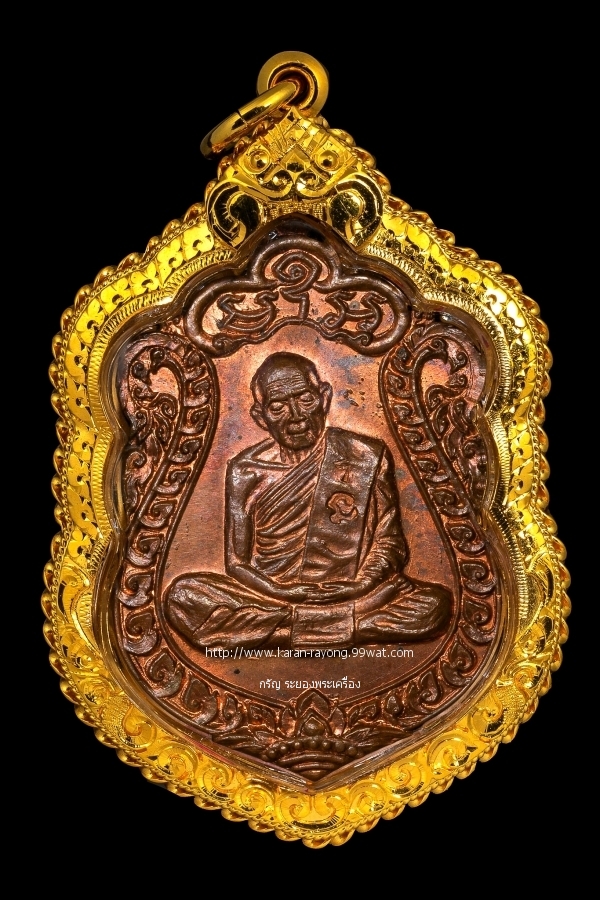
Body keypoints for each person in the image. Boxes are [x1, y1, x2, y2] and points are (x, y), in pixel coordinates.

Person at [166, 352, 451, 649]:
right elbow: (237, 564)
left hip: (352, 593)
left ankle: (285, 633)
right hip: (273, 597)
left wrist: (360, 585)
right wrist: (285, 593)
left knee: (435, 605)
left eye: (305, 399)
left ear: (324, 398)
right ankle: (353, 627)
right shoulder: (245, 470)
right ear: (260, 417)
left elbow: (389, 542)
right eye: (278, 407)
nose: (296, 416)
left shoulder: (365, 454)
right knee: (185, 596)